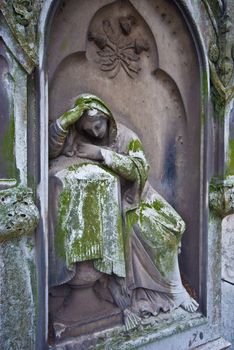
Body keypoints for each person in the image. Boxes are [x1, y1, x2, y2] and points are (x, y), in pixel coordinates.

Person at [49, 94, 198, 330]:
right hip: (109, 211)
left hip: (139, 199)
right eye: (90, 130)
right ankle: (169, 291)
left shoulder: (125, 136)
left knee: (169, 229)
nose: (96, 133)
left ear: (106, 117)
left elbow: (140, 169)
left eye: (98, 126)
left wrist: (102, 154)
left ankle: (173, 288)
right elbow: (50, 151)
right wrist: (65, 121)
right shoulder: (76, 139)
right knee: (145, 231)